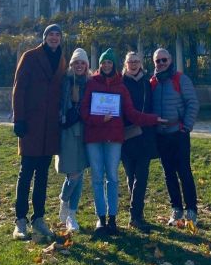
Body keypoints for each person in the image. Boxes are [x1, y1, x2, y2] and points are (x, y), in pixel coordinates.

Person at [81, 48, 166, 237]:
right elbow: (84, 111)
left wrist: (153, 119)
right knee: (97, 178)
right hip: (94, 137)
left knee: (112, 177)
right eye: (104, 62)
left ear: (114, 64)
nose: (106, 65)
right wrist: (99, 120)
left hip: (114, 138)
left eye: (109, 62)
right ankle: (100, 218)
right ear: (100, 64)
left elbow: (131, 113)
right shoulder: (92, 83)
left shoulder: (120, 86)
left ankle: (112, 218)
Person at [12, 24, 66, 241]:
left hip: (50, 126)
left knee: (43, 175)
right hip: (32, 123)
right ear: (44, 37)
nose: (54, 38)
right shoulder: (30, 56)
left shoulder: (62, 59)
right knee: (26, 173)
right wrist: (19, 119)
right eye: (51, 35)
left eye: (57, 35)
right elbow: (19, 88)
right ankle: (20, 220)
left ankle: (39, 218)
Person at [150, 48, 199, 226]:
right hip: (161, 135)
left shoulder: (180, 79)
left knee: (184, 171)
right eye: (158, 61)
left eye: (164, 60)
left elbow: (192, 102)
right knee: (168, 173)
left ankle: (191, 209)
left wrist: (186, 127)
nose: (161, 63)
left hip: (178, 133)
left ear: (170, 60)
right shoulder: (153, 82)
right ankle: (176, 208)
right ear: (154, 63)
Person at [121, 51, 157, 232]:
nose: (133, 64)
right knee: (130, 175)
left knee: (141, 176)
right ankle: (136, 213)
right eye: (130, 61)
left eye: (136, 61)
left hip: (144, 135)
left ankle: (136, 214)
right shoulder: (120, 82)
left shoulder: (147, 83)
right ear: (126, 64)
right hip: (126, 135)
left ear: (141, 63)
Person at [55, 47, 91, 232]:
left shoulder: (91, 82)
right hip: (68, 131)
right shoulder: (65, 81)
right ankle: (64, 200)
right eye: (76, 62)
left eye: (82, 62)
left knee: (80, 174)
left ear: (86, 65)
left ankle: (71, 214)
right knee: (73, 173)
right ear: (72, 64)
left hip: (86, 131)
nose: (79, 65)